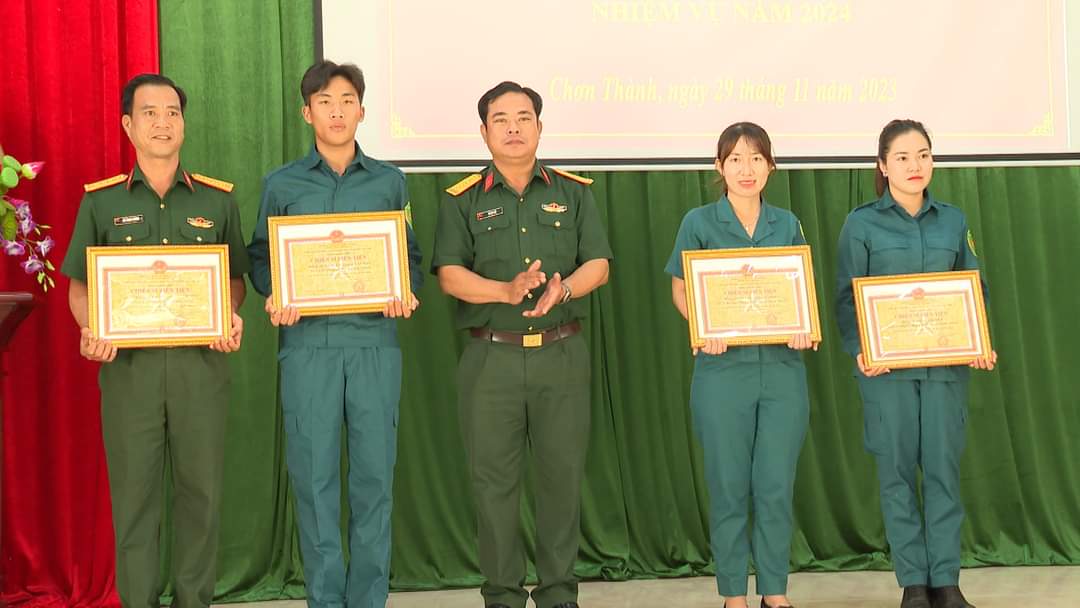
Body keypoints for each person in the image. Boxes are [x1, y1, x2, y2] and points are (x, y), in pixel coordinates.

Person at [61, 73, 248, 608]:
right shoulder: (100, 203)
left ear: (183, 124)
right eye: (150, 113)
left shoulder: (217, 201)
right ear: (128, 125)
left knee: (201, 499)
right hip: (130, 374)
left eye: (172, 112)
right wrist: (90, 328)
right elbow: (80, 287)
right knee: (135, 503)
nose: (163, 122)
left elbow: (233, 281)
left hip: (200, 371)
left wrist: (229, 315)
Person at [246, 60, 422, 608]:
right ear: (307, 113)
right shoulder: (281, 184)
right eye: (325, 101)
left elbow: (409, 257)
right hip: (307, 349)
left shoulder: (390, 181)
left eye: (347, 100)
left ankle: (368, 600)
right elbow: (260, 256)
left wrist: (404, 289)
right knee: (314, 482)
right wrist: (274, 292)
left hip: (374, 345)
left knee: (374, 483)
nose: (337, 111)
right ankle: (325, 600)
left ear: (362, 110)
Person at [430, 81, 612, 608]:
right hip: (491, 358)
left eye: (524, 117)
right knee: (493, 486)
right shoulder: (462, 199)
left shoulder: (574, 192)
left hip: (561, 354)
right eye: (501, 119)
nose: (513, 128)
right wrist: (504, 291)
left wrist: (565, 288)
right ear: (483, 131)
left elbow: (598, 263)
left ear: (539, 126)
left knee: (561, 480)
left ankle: (558, 593)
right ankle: (503, 595)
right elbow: (449, 275)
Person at [835, 119, 997, 608]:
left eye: (923, 155)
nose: (914, 165)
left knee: (944, 473)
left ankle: (946, 582)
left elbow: (974, 290)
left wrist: (979, 340)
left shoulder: (953, 221)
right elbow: (847, 298)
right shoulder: (860, 224)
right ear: (883, 166)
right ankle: (913, 584)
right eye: (902, 157)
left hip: (946, 370)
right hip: (886, 374)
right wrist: (860, 350)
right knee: (897, 475)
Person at [665, 122, 816, 608]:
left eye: (756, 158)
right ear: (719, 166)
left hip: (782, 371)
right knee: (728, 485)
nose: (746, 169)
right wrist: (702, 326)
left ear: (770, 166)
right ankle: (733, 594)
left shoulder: (787, 223)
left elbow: (799, 290)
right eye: (735, 159)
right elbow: (681, 288)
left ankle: (774, 591)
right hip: (722, 373)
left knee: (775, 485)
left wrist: (802, 324)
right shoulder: (698, 222)